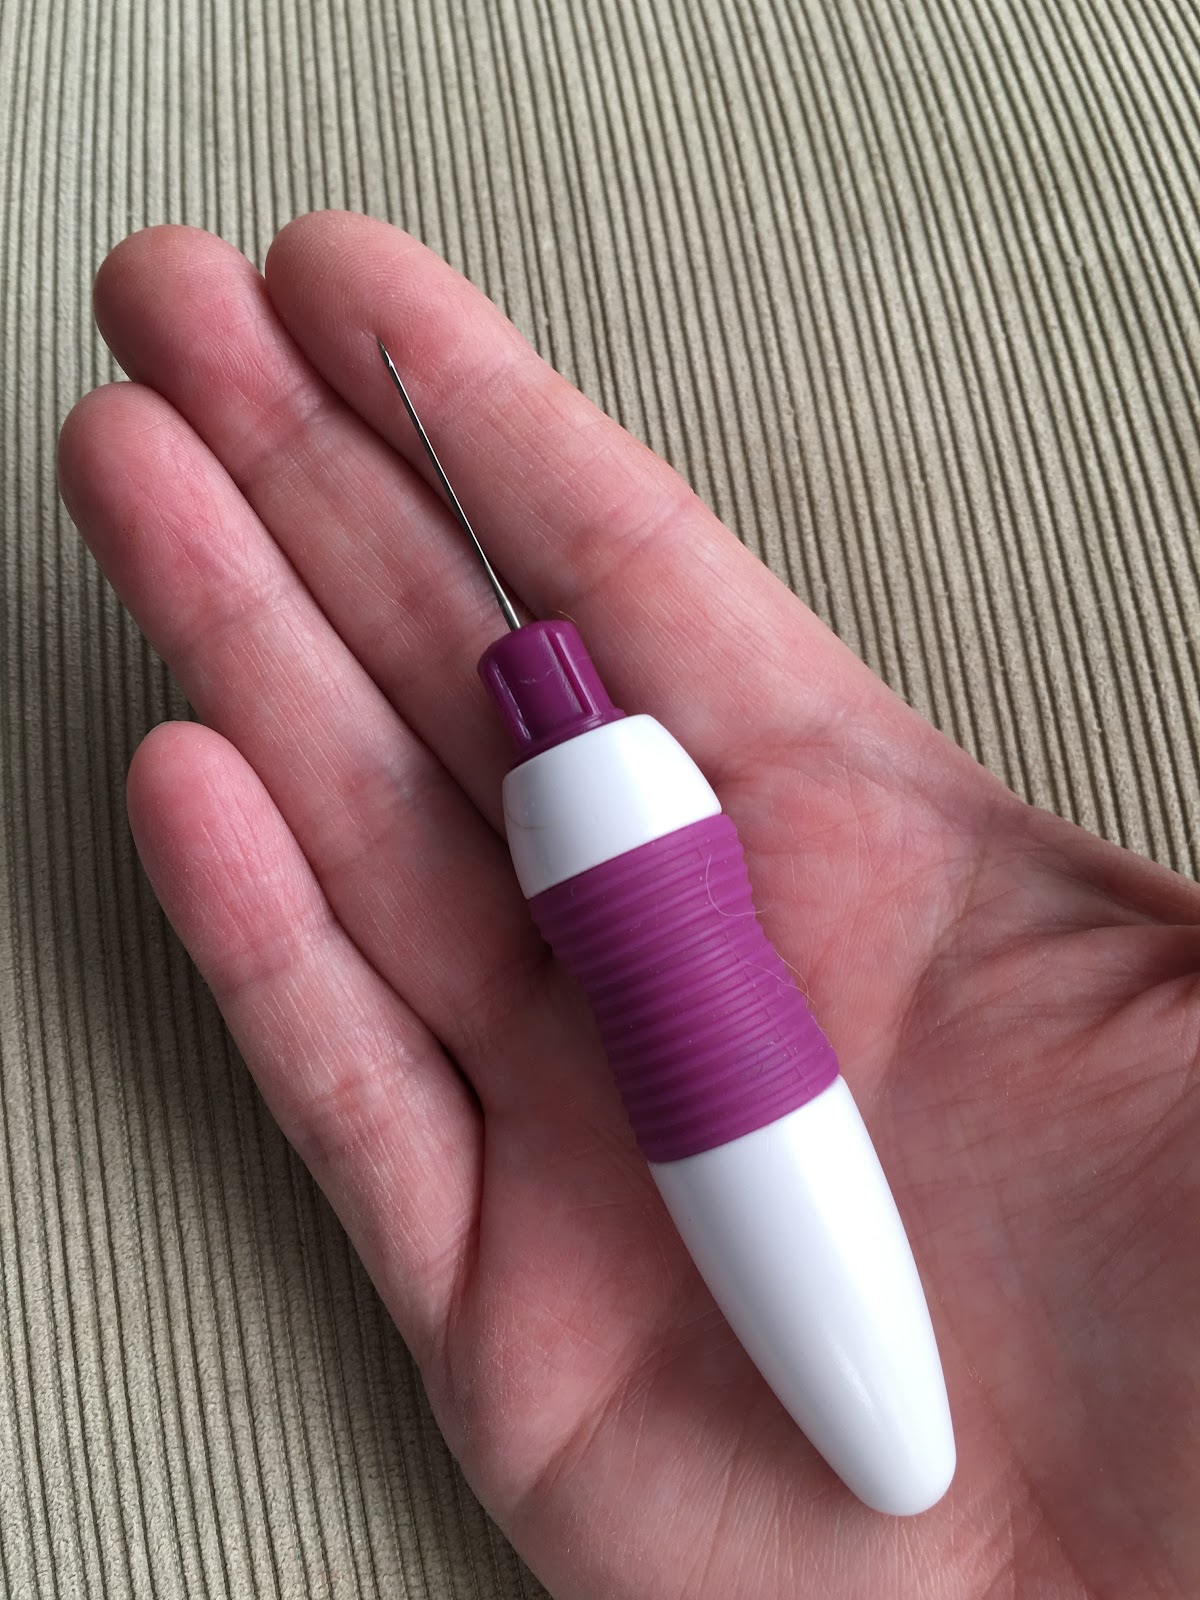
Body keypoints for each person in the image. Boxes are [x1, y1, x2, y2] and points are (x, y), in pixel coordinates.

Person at [57, 212, 1198, 1599]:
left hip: (757, 1146)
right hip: (747, 1139)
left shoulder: (600, 787)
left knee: (905, 1459)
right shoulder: (592, 792)